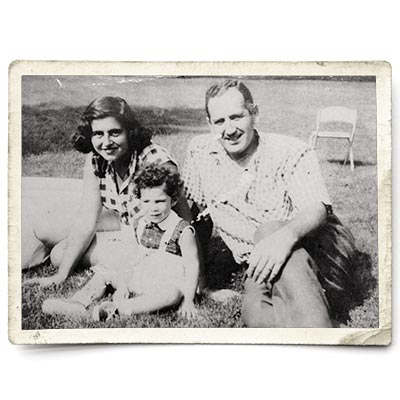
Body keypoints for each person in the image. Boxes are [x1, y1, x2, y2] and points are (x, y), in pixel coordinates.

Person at [183, 79, 356, 327]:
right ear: (209, 124)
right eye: (219, 121)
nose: (229, 130)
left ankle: (317, 329)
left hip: (313, 249)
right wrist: (202, 283)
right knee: (253, 313)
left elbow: (316, 209)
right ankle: (314, 324)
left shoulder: (289, 150)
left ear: (254, 113)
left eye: (236, 117)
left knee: (270, 230)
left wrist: (283, 237)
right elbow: (198, 218)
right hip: (261, 261)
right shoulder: (199, 153)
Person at [26, 96, 191, 287]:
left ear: (130, 131)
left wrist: (192, 275)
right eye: (98, 134)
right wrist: (61, 275)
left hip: (153, 238)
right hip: (124, 220)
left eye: (114, 133)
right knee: (45, 229)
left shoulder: (156, 162)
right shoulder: (96, 159)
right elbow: (87, 220)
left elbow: (184, 221)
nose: (106, 142)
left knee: (59, 255)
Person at [42, 164, 200, 320]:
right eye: (146, 201)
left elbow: (192, 267)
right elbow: (136, 258)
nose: (153, 208)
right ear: (139, 200)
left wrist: (188, 301)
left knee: (171, 294)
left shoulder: (182, 231)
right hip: (143, 276)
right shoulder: (141, 223)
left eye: (159, 201)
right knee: (104, 272)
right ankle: (77, 302)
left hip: (166, 283)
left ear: (173, 200)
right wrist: (123, 284)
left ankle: (119, 309)